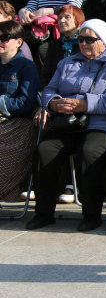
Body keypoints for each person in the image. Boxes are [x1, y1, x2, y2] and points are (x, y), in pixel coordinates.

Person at [26, 19, 106, 232]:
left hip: (103, 124)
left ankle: (92, 215)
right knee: (44, 150)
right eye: (81, 39)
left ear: (103, 41)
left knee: (90, 152)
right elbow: (48, 89)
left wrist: (84, 104)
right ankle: (44, 213)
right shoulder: (66, 63)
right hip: (67, 123)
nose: (83, 44)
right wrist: (55, 103)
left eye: (89, 39)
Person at [0, 21, 40, 202]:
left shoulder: (26, 67)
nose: (0, 41)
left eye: (5, 38)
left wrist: (1, 104)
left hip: (17, 121)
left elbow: (26, 102)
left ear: (19, 42)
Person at [38, 5, 84, 86]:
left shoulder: (86, 43)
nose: (62, 21)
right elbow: (46, 77)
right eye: (59, 18)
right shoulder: (50, 47)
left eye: (67, 17)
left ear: (78, 20)